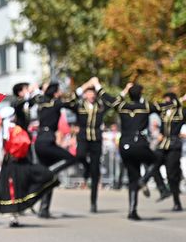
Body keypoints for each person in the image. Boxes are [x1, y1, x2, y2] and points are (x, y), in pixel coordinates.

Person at [99, 81, 179, 220]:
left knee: (132, 178)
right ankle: (145, 179)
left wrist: (101, 87)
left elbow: (107, 98)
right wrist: (179, 101)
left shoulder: (122, 106)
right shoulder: (145, 107)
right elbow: (167, 105)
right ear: (140, 94)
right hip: (139, 144)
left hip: (124, 145)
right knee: (156, 159)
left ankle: (132, 210)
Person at [0, 107, 60, 227]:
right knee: (19, 187)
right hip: (18, 163)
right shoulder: (16, 130)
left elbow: (0, 148)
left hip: (7, 164)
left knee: (11, 189)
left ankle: (13, 216)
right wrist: (16, 154)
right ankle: (15, 214)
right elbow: (24, 144)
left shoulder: (1, 131)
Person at [33, 82, 77, 218]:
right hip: (47, 140)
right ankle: (50, 171)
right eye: (58, 91)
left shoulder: (41, 103)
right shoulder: (55, 103)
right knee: (70, 158)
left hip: (39, 140)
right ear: (55, 92)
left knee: (49, 179)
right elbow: (72, 103)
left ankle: (44, 209)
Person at [69, 78, 113, 213]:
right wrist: (86, 84)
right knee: (79, 156)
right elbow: (70, 100)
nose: (91, 95)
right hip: (83, 137)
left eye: (93, 93)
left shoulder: (100, 106)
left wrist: (98, 86)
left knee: (95, 171)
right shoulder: (79, 105)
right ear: (85, 94)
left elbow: (111, 102)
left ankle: (93, 202)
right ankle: (86, 169)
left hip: (96, 139)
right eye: (89, 93)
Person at [155, 92, 186, 211]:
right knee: (152, 164)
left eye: (168, 101)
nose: (166, 103)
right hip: (163, 145)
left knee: (171, 174)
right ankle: (163, 189)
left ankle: (176, 202)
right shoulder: (162, 112)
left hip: (174, 146)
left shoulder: (181, 113)